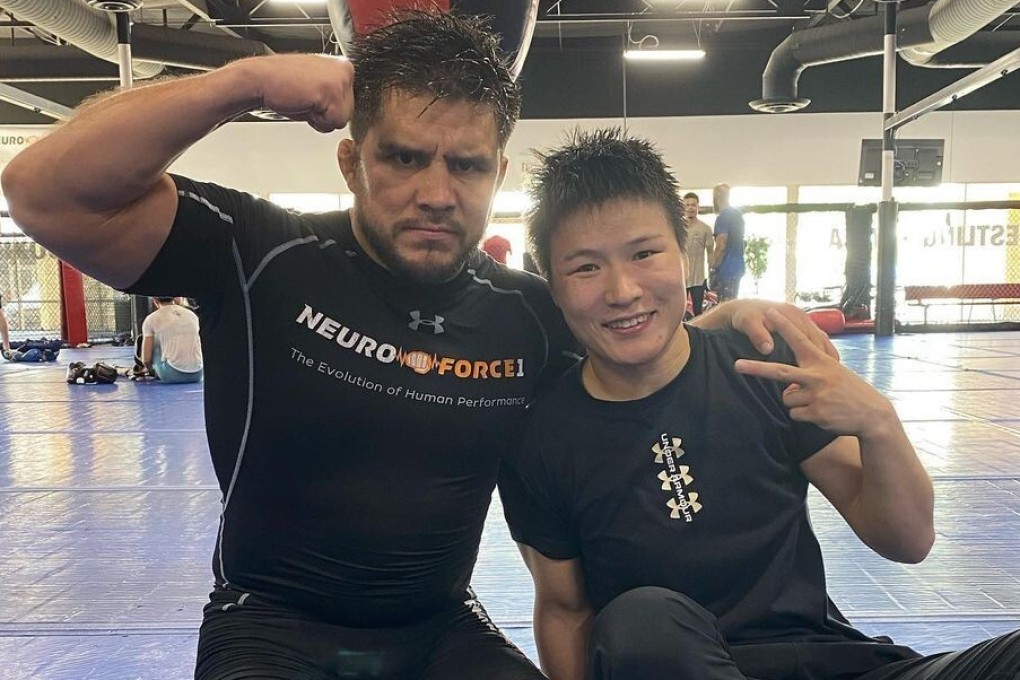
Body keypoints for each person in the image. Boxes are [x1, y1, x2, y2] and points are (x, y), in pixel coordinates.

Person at [3, 10, 837, 679]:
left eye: (466, 166)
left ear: (498, 175)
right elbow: (43, 190)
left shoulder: (532, 314)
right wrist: (241, 83)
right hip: (269, 627)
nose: (436, 193)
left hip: (441, 631)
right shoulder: (262, 255)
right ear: (350, 160)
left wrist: (726, 319)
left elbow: (641, 339)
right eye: (403, 158)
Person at [501, 128, 1020, 680]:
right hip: (675, 664)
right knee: (640, 622)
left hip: (828, 662)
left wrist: (880, 423)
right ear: (552, 284)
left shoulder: (762, 369)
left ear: (685, 257)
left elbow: (908, 540)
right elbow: (565, 612)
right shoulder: (542, 438)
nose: (622, 289)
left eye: (645, 253)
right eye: (586, 267)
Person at [135, 296, 203, 383]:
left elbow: (146, 360)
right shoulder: (192, 315)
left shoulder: (151, 319)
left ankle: (141, 368)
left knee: (147, 340)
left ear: (155, 301)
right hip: (198, 374)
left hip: (172, 374)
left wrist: (151, 370)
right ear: (174, 298)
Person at [710, 182, 745, 302]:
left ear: (716, 197)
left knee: (724, 308)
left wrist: (713, 268)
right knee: (732, 304)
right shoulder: (738, 215)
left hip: (726, 269)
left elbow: (721, 245)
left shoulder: (723, 217)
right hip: (738, 267)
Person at [682, 191, 714, 316]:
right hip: (681, 278)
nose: (690, 208)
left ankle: (697, 334)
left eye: (693, 205)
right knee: (679, 312)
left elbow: (710, 253)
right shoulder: (677, 228)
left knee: (698, 312)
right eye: (687, 205)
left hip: (698, 279)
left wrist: (711, 274)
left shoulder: (705, 229)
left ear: (698, 207)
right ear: (683, 207)